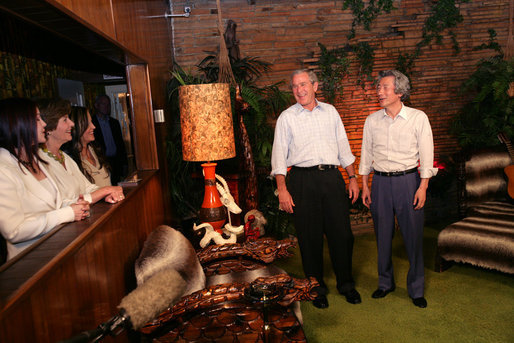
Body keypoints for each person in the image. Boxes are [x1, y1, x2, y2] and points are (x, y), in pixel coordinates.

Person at [271, 69, 361, 309]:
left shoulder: (330, 112)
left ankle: (346, 285)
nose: (299, 90)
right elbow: (279, 156)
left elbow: (343, 146)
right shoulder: (287, 117)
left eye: (303, 85)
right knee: (309, 238)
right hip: (301, 181)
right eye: (294, 86)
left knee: (342, 235)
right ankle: (315, 287)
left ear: (315, 86)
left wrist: (352, 177)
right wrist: (282, 189)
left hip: (332, 178)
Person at [359, 70, 438, 308]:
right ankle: (385, 284)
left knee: (413, 237)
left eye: (384, 87)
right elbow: (366, 155)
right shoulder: (372, 120)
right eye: (378, 87)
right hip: (380, 183)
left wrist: (423, 187)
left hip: (408, 182)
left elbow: (427, 156)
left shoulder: (418, 118)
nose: (379, 91)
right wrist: (364, 184)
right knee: (382, 236)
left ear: (400, 91)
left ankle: (416, 289)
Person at [0, 98, 90, 260]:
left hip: (57, 251)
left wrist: (73, 205)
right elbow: (14, 230)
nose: (43, 124)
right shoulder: (3, 169)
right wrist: (67, 213)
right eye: (37, 119)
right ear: (19, 124)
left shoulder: (36, 160)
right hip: (30, 261)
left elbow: (50, 205)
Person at [38, 99, 125, 205]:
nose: (71, 123)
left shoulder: (65, 157)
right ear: (49, 128)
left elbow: (88, 187)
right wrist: (106, 191)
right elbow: (61, 204)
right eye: (65, 120)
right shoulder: (40, 161)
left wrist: (108, 193)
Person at [63, 106, 111, 187]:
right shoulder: (69, 159)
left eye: (91, 122)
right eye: (88, 123)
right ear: (77, 127)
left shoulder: (95, 149)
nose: (93, 126)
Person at [91, 94, 128, 185]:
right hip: (101, 162)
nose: (107, 107)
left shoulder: (114, 123)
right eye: (104, 104)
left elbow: (120, 144)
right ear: (96, 105)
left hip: (115, 163)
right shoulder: (91, 123)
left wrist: (124, 163)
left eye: (108, 104)